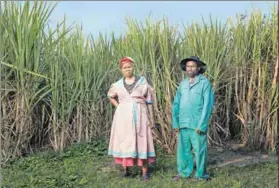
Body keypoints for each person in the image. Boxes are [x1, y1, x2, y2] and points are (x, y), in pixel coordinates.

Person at [107, 56, 156, 181]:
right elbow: (111, 96)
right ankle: (125, 170)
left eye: (129, 67)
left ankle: (145, 172)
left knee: (142, 140)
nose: (127, 69)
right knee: (125, 141)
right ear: (121, 70)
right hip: (123, 117)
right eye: (125, 68)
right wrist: (119, 106)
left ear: (133, 67)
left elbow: (149, 99)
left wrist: (151, 118)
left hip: (140, 113)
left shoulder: (142, 81)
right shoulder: (117, 85)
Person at [172, 56, 214, 181]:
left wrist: (202, 124)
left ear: (198, 68)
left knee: (199, 151)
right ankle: (184, 172)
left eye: (193, 66)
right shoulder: (183, 84)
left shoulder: (204, 83)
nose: (190, 68)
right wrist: (176, 122)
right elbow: (176, 103)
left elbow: (208, 105)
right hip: (183, 122)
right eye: (188, 66)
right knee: (183, 151)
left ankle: (201, 175)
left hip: (197, 123)